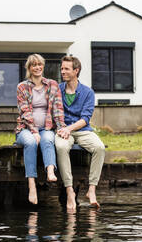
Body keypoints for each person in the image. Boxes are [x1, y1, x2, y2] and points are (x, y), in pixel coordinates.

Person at [55, 56, 105, 211]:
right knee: (61, 147)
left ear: (76, 71)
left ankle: (91, 190)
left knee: (99, 147)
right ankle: (69, 191)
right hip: (63, 130)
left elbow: (85, 119)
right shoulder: (57, 89)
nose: (63, 71)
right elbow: (54, 112)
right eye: (62, 68)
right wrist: (62, 128)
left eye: (66, 69)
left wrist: (69, 129)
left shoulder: (88, 92)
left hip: (82, 130)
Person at [15, 54, 65, 205]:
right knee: (30, 142)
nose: (37, 67)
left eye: (39, 64)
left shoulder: (52, 85)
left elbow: (58, 109)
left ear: (43, 66)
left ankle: (50, 171)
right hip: (26, 129)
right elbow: (25, 111)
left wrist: (61, 128)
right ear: (29, 68)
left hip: (47, 127)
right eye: (34, 65)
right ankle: (32, 185)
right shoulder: (22, 87)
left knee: (49, 139)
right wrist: (34, 130)